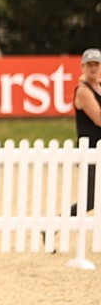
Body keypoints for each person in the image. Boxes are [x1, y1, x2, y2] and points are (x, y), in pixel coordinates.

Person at [69, 48, 101, 219]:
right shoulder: (83, 90)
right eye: (89, 65)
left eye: (96, 64)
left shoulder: (98, 87)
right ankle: (54, 226)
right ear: (83, 67)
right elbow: (99, 119)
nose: (93, 68)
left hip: (98, 151)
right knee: (90, 200)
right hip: (89, 152)